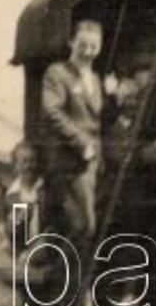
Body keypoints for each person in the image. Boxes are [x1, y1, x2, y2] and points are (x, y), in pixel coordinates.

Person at [40, 19, 106, 241]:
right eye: (82, 45)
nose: (88, 52)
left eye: (94, 47)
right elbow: (53, 112)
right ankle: (52, 273)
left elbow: (96, 121)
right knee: (85, 226)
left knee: (88, 228)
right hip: (69, 161)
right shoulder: (58, 73)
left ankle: (61, 270)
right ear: (71, 43)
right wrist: (81, 142)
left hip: (90, 164)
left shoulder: (97, 80)